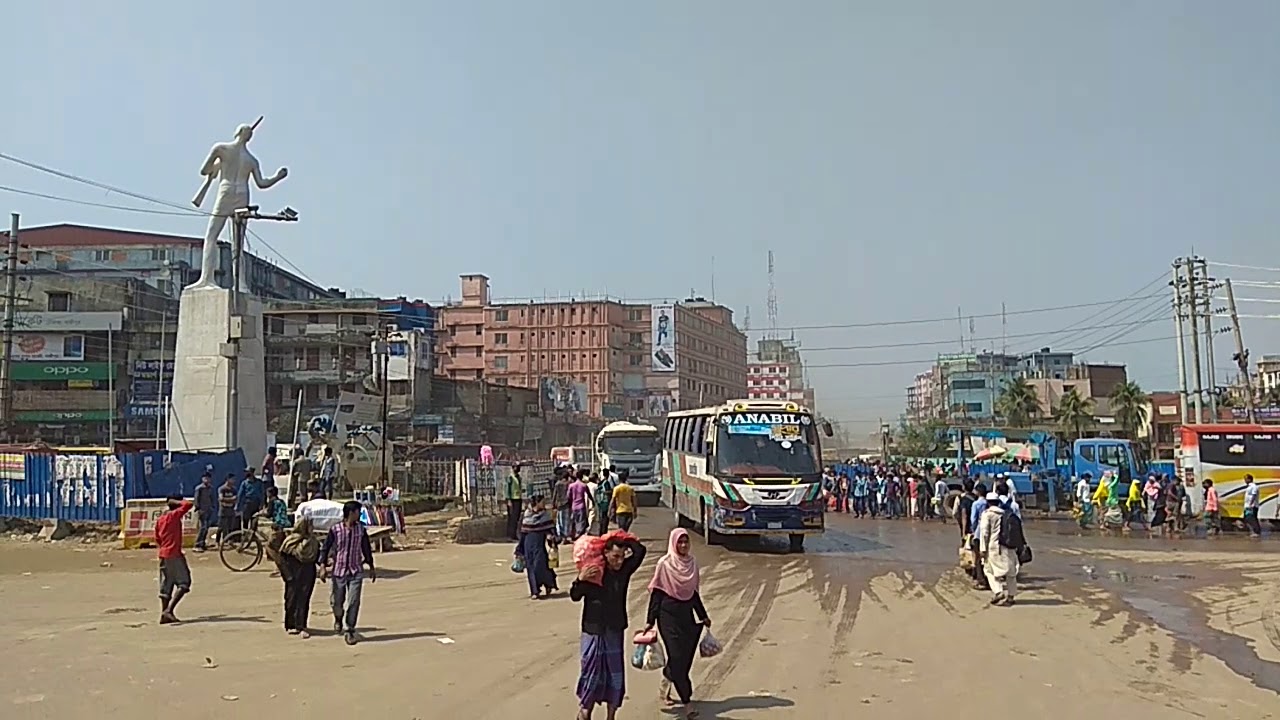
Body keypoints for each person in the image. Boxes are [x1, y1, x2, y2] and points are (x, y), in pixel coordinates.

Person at [571, 533, 647, 720]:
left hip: (614, 628)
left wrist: (618, 537)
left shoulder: (623, 571)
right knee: (590, 672)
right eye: (615, 556)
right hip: (593, 629)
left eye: (621, 556)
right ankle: (585, 712)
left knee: (615, 674)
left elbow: (640, 550)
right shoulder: (593, 572)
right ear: (605, 554)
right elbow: (575, 595)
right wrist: (580, 579)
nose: (619, 561)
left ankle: (611, 716)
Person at [645, 528, 710, 716]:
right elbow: (656, 593)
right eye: (679, 542)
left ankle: (667, 678)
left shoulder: (692, 563)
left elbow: (694, 593)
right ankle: (688, 703)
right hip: (667, 618)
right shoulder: (664, 564)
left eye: (686, 542)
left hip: (687, 617)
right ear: (673, 543)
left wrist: (703, 615)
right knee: (677, 657)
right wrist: (650, 621)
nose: (683, 546)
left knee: (685, 659)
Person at [319, 500, 376, 645]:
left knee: (354, 601)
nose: (360, 515)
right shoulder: (335, 530)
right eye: (358, 512)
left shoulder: (361, 530)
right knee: (336, 602)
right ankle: (338, 618)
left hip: (356, 570)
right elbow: (325, 548)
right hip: (339, 571)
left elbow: (366, 548)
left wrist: (371, 566)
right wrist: (323, 566)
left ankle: (350, 629)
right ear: (351, 513)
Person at [155, 494, 195, 624]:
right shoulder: (174, 516)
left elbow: (157, 539)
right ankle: (169, 610)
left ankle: (164, 614)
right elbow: (188, 505)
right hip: (174, 554)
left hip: (163, 554)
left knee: (166, 584)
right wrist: (176, 501)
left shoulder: (160, 519)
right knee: (184, 582)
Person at [278, 516, 320, 637]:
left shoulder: (313, 542)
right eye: (310, 525)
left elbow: (317, 557)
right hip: (292, 575)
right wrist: (287, 576)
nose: (312, 528)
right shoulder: (290, 541)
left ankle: (300, 625)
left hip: (307, 574)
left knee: (304, 600)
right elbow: (282, 560)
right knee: (291, 600)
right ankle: (290, 624)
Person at [978, 490, 1018, 606]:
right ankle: (1011, 596)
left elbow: (984, 533)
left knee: (989, 570)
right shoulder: (1005, 514)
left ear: (988, 502)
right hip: (1008, 546)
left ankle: (998, 591)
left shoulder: (988, 514)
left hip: (993, 547)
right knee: (1011, 573)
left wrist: (982, 549)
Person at [515, 495, 559, 599]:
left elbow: (551, 530)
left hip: (539, 546)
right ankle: (535, 591)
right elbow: (521, 533)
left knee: (540, 566)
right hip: (527, 545)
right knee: (531, 568)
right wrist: (519, 550)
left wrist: (551, 538)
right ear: (536, 503)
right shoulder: (526, 515)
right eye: (542, 502)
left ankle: (549, 584)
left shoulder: (545, 515)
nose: (544, 504)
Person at [265, 486, 291, 566]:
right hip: (286, 524)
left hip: (278, 525)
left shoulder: (272, 501)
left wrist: (260, 514)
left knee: (271, 546)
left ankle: (281, 565)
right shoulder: (281, 501)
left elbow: (268, 514)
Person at [193, 471, 216, 552]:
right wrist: (198, 508)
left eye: (208, 478)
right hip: (202, 510)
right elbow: (196, 499)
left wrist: (212, 507)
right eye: (205, 478)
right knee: (203, 527)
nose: (206, 480)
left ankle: (202, 543)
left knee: (206, 528)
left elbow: (212, 498)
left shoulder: (211, 488)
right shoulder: (199, 488)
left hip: (208, 510)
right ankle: (197, 544)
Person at [505, 463, 525, 541]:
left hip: (518, 499)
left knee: (516, 518)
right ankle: (510, 535)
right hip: (512, 500)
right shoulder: (510, 477)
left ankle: (514, 534)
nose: (517, 469)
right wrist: (509, 500)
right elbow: (508, 489)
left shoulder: (519, 477)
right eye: (516, 467)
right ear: (513, 468)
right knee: (512, 518)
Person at [595, 469, 618, 536]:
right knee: (605, 518)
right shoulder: (606, 483)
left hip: (600, 502)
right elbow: (607, 492)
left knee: (602, 518)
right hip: (605, 502)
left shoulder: (601, 482)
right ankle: (603, 533)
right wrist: (612, 491)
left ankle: (601, 532)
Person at [217, 474, 238, 545]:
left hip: (231, 511)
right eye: (232, 479)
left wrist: (228, 500)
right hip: (223, 511)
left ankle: (230, 541)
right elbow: (221, 499)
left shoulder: (234, 489)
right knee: (221, 527)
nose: (233, 481)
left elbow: (235, 499)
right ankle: (217, 541)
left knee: (230, 527)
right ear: (227, 479)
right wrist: (230, 499)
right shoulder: (222, 489)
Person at [553, 468, 573, 541]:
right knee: (566, 520)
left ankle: (560, 535)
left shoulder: (557, 483)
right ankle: (565, 536)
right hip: (567, 504)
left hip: (559, 504)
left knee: (559, 520)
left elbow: (554, 494)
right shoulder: (569, 484)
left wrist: (553, 503)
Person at [569, 472, 590, 539]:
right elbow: (589, 495)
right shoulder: (584, 485)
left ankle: (575, 534)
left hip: (574, 506)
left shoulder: (571, 486)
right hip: (581, 506)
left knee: (575, 520)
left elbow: (568, 496)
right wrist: (593, 502)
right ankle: (579, 534)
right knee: (581, 521)